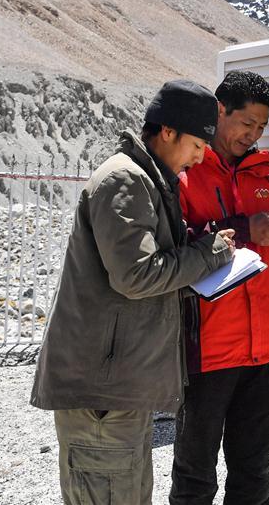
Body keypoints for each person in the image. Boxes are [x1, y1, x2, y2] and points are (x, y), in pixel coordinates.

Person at [30, 80, 237, 505]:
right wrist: (208, 254)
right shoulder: (124, 180)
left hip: (119, 387)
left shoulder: (148, 180)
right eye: (198, 144)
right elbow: (137, 275)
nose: (201, 157)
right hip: (101, 393)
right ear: (167, 132)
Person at [170, 71, 269, 505]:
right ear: (219, 112)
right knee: (195, 477)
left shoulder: (267, 176)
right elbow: (175, 247)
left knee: (254, 474)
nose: (252, 134)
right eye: (246, 123)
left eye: (261, 127)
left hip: (268, 348)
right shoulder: (185, 171)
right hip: (208, 349)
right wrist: (243, 229)